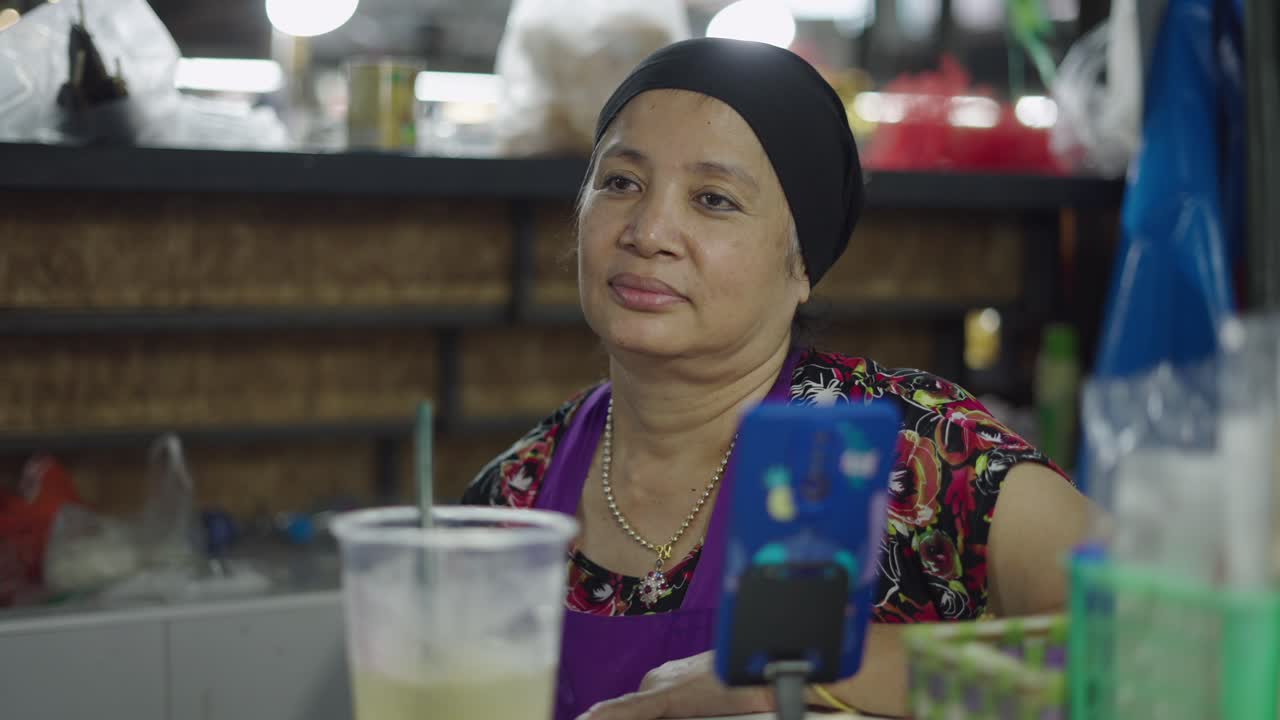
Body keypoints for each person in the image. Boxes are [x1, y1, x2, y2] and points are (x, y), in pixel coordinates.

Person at [462, 37, 1090, 720]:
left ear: (801, 266)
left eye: (713, 199)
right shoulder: (514, 496)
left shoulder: (915, 453)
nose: (648, 230)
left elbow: (1164, 641)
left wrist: (820, 676)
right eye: (620, 183)